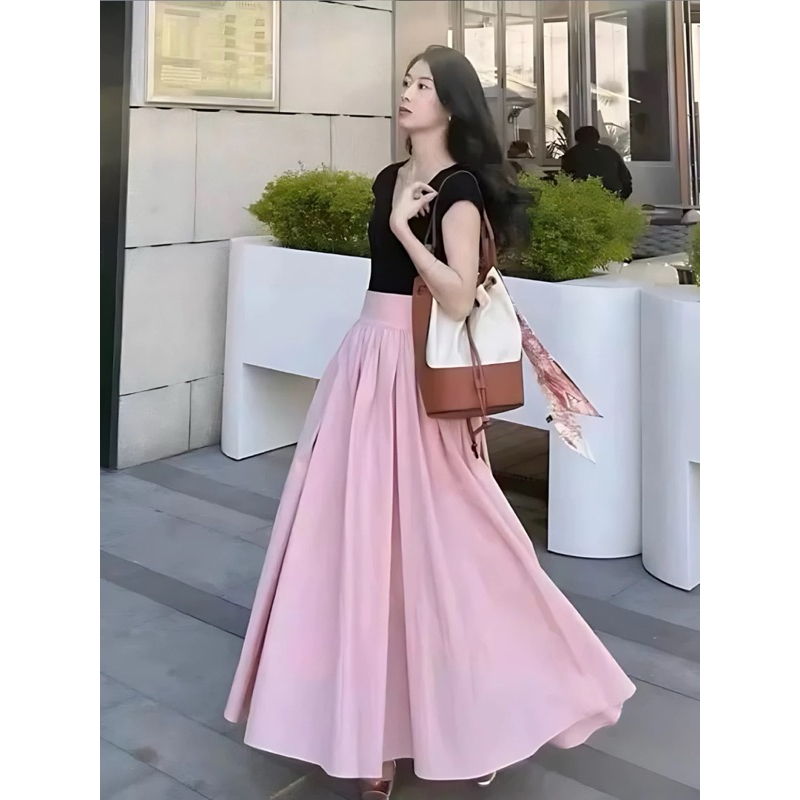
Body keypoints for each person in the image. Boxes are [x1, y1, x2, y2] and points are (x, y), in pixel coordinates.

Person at [224, 45, 635, 800]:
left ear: (450, 103)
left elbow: (454, 296)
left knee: (450, 542)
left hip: (417, 374)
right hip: (365, 362)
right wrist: (395, 214)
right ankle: (370, 737)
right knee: (353, 544)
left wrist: (408, 230)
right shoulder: (390, 177)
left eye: (423, 84)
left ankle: (485, 715)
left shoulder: (460, 189)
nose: (407, 93)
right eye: (406, 81)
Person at [561, 125, 633, 200]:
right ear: (597, 137)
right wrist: (621, 197)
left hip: (584, 198)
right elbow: (625, 177)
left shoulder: (572, 154)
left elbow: (564, 178)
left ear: (577, 139)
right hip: (612, 196)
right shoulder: (610, 152)